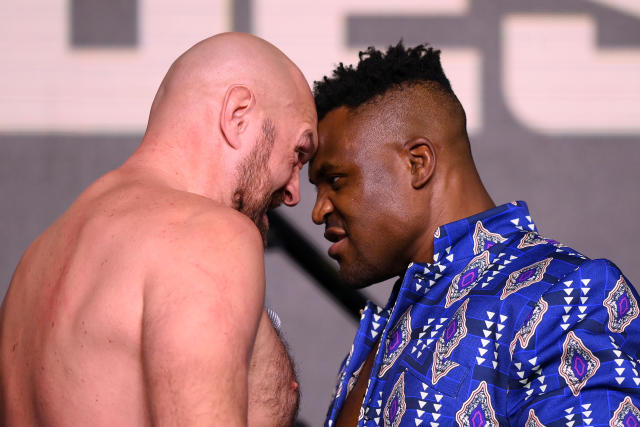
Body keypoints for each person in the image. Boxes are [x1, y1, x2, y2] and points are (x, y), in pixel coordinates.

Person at [310, 42, 640, 426]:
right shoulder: (385, 332)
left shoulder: (567, 294)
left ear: (418, 163)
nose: (319, 211)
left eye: (335, 180)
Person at [0, 32, 317, 426]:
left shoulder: (36, 262)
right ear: (238, 114)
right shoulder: (207, 236)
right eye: (299, 153)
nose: (294, 192)